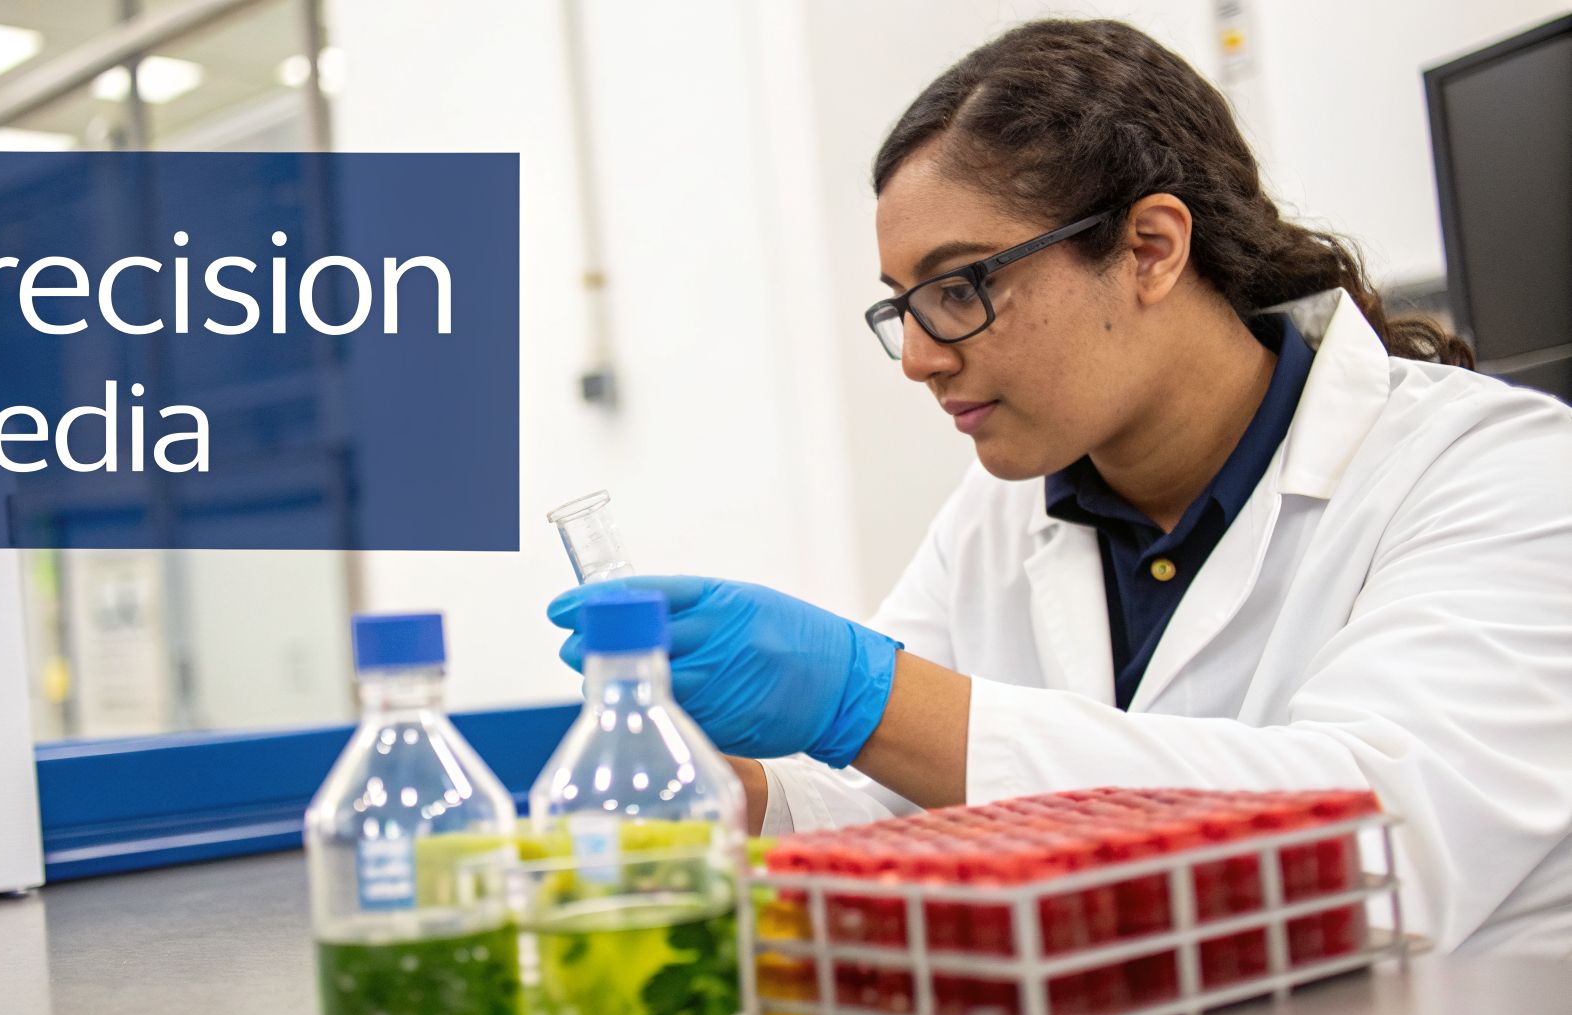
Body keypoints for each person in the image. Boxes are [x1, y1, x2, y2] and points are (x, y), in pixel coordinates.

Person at [548, 19, 1572, 955]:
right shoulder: (1006, 509)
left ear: (1149, 249)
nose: (914, 357)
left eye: (957, 289)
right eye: (900, 306)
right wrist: (739, 800)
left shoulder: (1494, 470)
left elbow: (1369, 854)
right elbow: (915, 809)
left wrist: (869, 696)